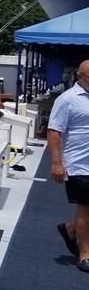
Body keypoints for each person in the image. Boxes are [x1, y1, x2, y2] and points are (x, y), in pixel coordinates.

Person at [48, 61, 89, 272]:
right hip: (78, 163)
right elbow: (54, 131)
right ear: (80, 76)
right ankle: (85, 254)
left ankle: (71, 229)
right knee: (86, 207)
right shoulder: (67, 100)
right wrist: (56, 162)